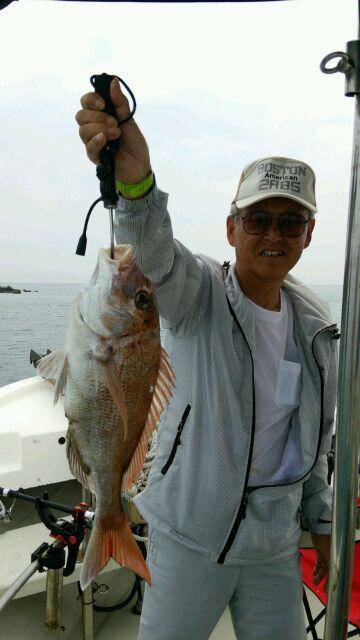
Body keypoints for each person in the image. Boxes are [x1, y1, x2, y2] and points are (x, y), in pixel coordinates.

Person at [76, 77, 338, 640]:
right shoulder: (198, 295)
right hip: (190, 537)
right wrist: (136, 182)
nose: (273, 234)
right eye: (257, 219)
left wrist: (320, 522)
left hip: (273, 547)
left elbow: (315, 442)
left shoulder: (319, 331)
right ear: (231, 228)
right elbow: (154, 255)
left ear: (309, 233)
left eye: (290, 222)